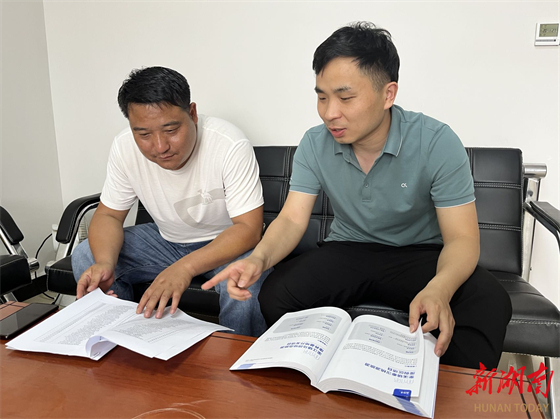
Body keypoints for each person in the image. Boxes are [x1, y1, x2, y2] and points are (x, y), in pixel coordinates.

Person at [203, 22, 512, 367]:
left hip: (419, 255)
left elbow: (462, 238)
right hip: (348, 249)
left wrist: (440, 287)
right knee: (276, 293)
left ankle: (440, 387)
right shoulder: (314, 143)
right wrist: (258, 259)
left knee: (489, 301)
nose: (329, 113)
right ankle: (318, 375)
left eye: (345, 97)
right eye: (322, 97)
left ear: (388, 95)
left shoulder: (436, 141)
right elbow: (291, 219)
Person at [72, 66, 270, 337]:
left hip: (227, 244)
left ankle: (237, 357)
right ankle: (123, 343)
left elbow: (248, 228)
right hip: (166, 241)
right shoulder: (123, 147)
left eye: (171, 129)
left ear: (192, 114)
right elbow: (108, 215)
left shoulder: (228, 143)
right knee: (87, 255)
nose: (160, 146)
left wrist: (184, 268)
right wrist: (105, 263)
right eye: (144, 135)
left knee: (246, 281)